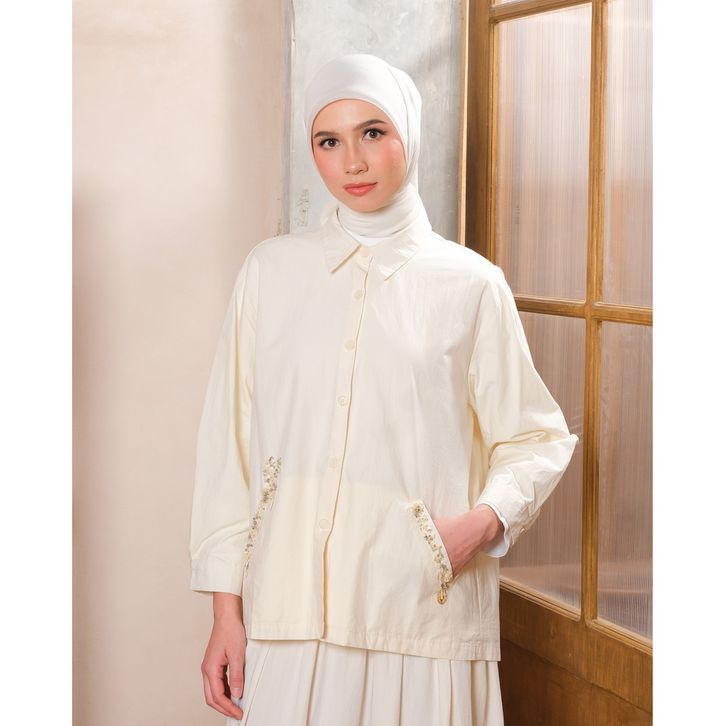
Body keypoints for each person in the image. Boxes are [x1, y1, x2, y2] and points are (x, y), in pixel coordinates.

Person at [188, 53, 578, 725]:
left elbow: (536, 438)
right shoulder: (270, 273)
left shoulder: (470, 284)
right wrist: (227, 611)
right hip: (291, 611)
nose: (353, 161)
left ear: (409, 134)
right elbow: (231, 448)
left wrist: (479, 525)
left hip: (421, 613)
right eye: (328, 141)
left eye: (373, 132)